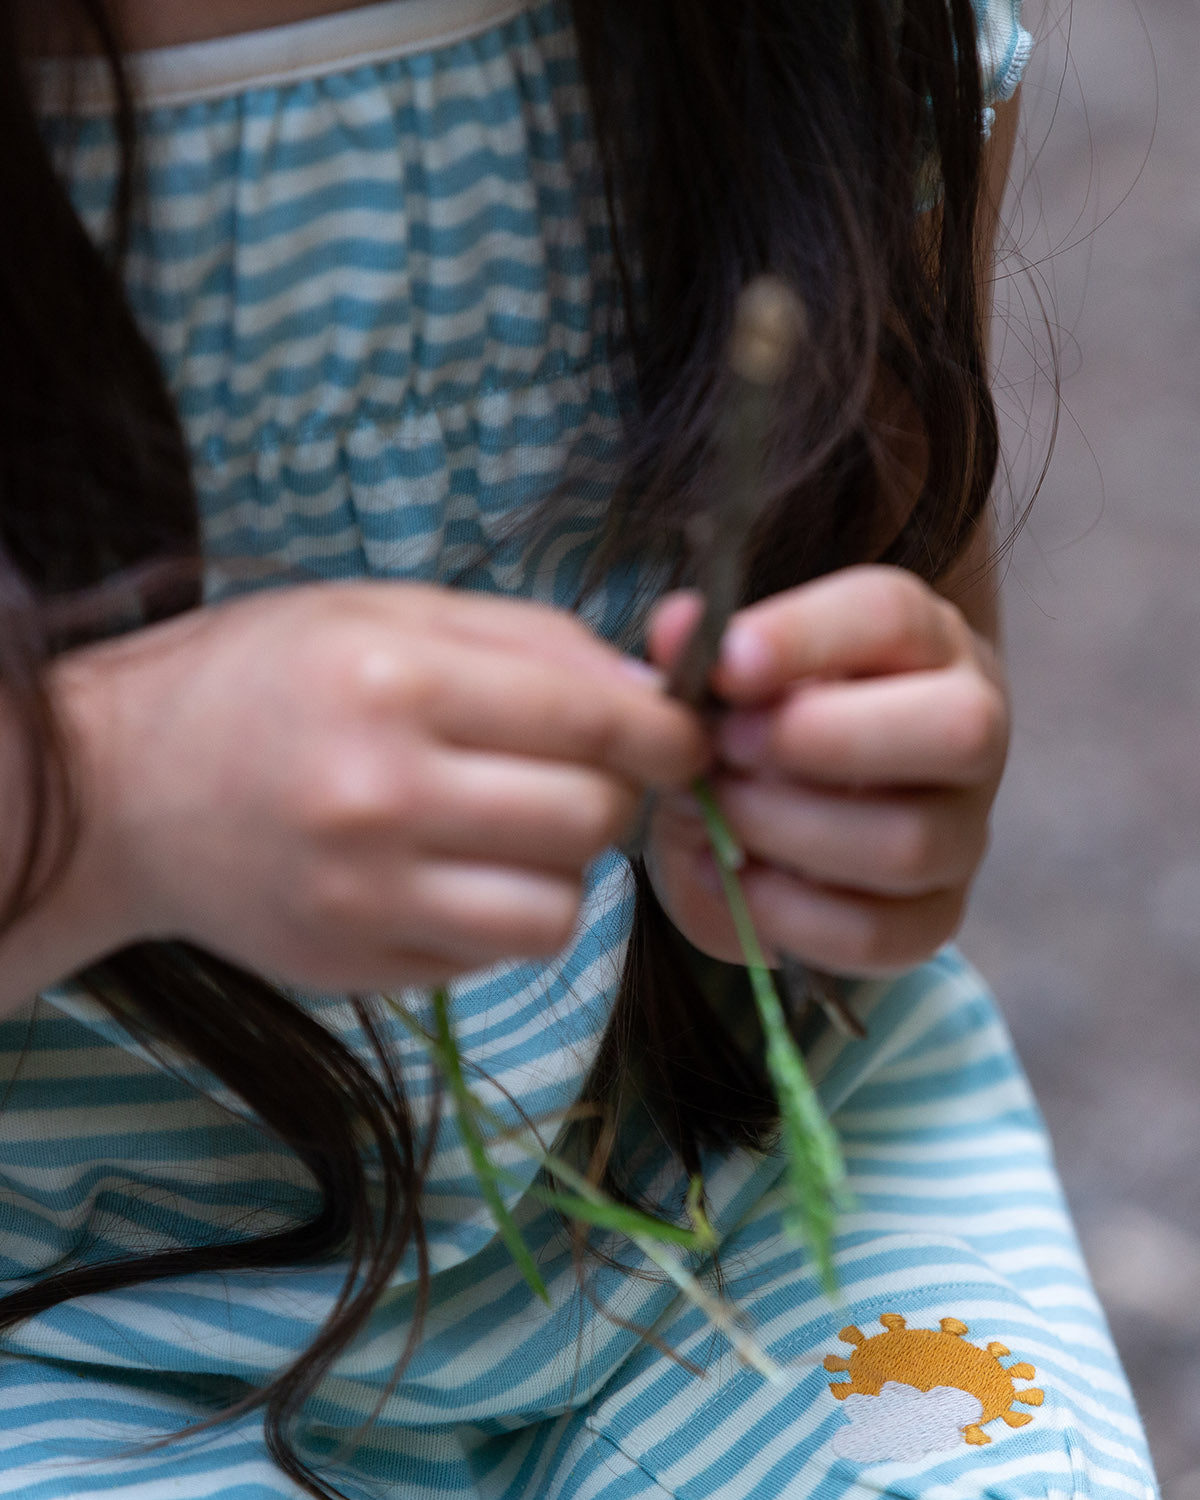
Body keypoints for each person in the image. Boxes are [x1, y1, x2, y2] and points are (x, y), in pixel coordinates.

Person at [0, 0, 1159, 1496]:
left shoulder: (814, 43)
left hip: (737, 1191)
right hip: (54, 1318)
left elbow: (921, 637)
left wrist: (866, 793)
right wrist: (110, 799)